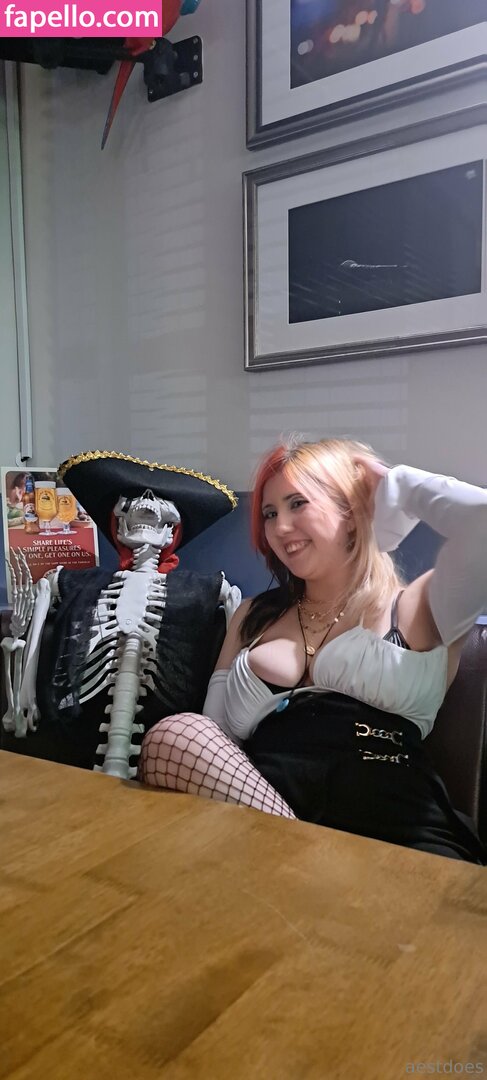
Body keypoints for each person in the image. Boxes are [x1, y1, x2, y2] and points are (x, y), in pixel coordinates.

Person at [139, 437, 487, 862]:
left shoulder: (415, 610)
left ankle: (312, 867)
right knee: (174, 736)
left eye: (297, 504)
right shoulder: (252, 615)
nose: (280, 527)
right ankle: (305, 860)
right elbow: (214, 733)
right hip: (260, 823)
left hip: (393, 828)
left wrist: (400, 487)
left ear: (352, 511)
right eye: (270, 513)